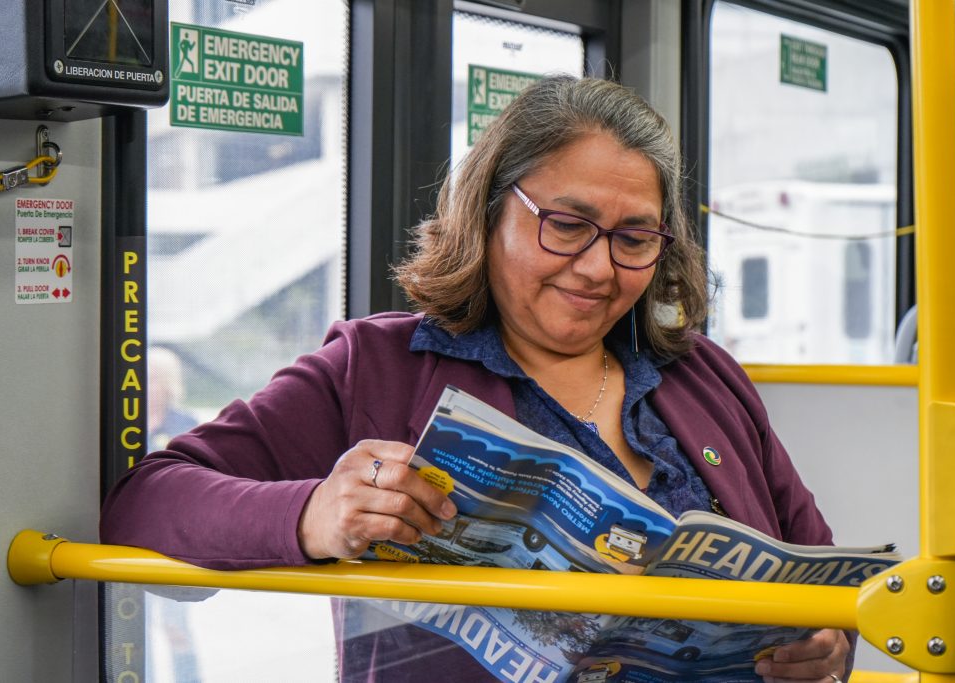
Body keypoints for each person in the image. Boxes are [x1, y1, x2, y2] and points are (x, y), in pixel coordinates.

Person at [101, 75, 851, 682]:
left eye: (634, 238)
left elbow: (826, 581)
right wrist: (313, 515)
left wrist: (828, 649)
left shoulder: (701, 375)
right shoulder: (379, 369)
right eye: (567, 223)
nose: (597, 267)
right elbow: (148, 501)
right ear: (490, 211)